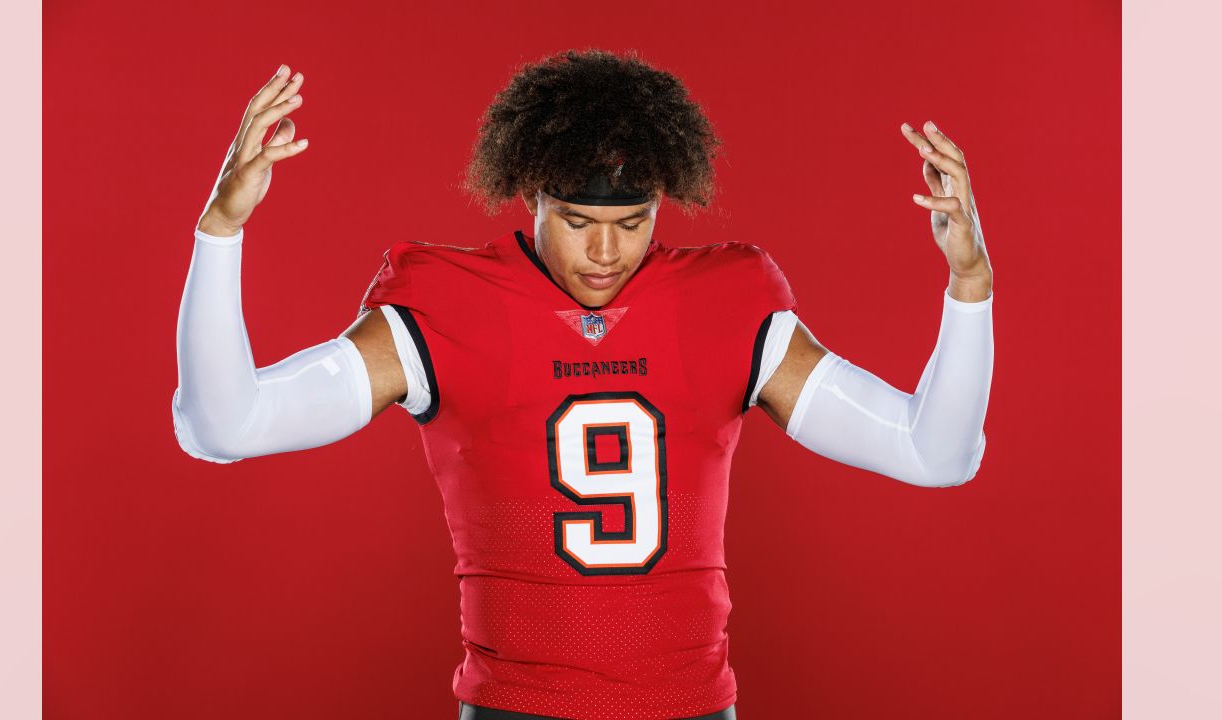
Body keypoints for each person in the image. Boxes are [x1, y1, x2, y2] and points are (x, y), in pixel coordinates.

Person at [172, 49, 994, 720]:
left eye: (632, 225)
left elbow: (934, 453)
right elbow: (225, 427)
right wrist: (221, 230)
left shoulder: (726, 302)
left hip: (691, 710)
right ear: (529, 194)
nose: (606, 254)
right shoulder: (448, 304)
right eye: (578, 222)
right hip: (515, 711)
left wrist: (969, 289)